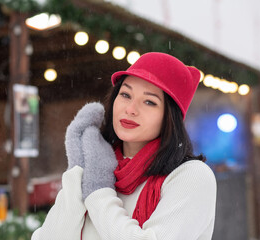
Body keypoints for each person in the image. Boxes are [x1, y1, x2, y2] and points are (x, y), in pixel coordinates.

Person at [32, 52, 217, 240]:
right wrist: (78, 171)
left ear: (170, 116)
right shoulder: (97, 168)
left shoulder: (191, 176)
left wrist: (98, 191)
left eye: (149, 102)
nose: (130, 109)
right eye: (126, 94)